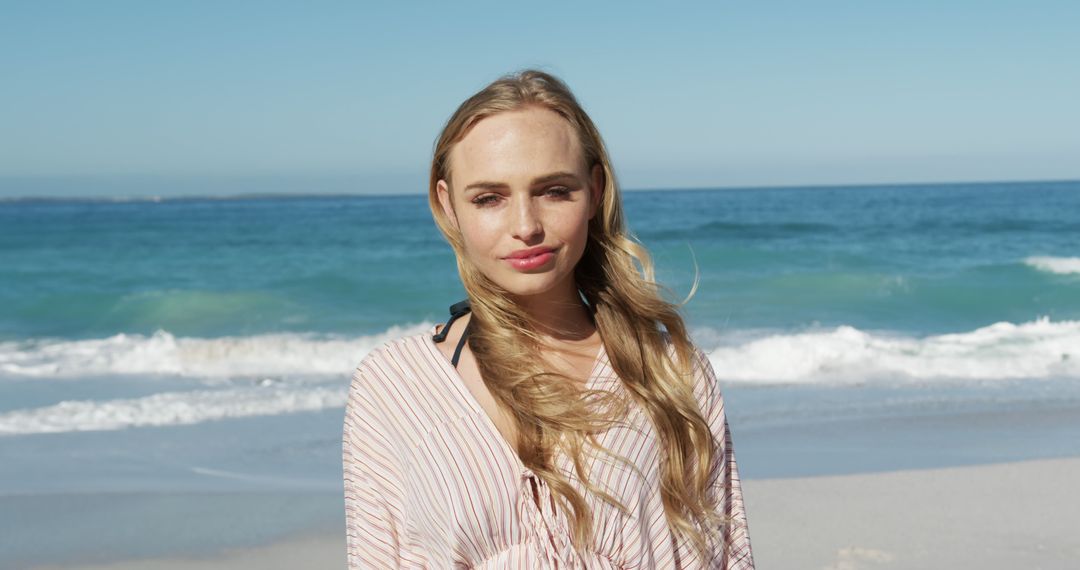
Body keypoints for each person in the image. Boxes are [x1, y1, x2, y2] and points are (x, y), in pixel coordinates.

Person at [343, 69, 754, 569]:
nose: (526, 227)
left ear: (594, 191)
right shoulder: (393, 386)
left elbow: (727, 559)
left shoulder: (672, 374)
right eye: (489, 198)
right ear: (448, 206)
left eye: (555, 191)